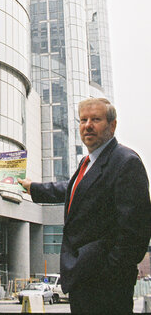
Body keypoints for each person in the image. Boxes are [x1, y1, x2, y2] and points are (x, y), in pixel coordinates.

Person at [18, 97, 151, 314]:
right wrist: (33, 188)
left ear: (112, 125)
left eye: (95, 119)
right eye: (83, 120)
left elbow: (135, 234)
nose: (87, 125)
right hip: (85, 280)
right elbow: (74, 190)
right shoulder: (88, 162)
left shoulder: (126, 162)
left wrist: (109, 273)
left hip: (106, 287)